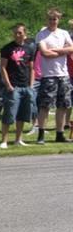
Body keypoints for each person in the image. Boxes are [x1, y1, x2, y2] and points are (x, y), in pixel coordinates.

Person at [34, 8, 73, 144]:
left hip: (64, 75)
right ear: (47, 20)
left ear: (58, 20)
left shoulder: (64, 33)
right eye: (50, 19)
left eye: (55, 19)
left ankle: (60, 134)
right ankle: (41, 135)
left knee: (63, 106)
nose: (52, 21)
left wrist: (56, 51)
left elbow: (71, 49)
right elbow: (45, 53)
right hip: (48, 76)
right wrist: (63, 51)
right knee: (45, 106)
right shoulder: (42, 35)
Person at [0, 24, 36, 149]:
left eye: (19, 32)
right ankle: (4, 141)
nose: (17, 35)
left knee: (22, 114)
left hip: (26, 86)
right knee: (9, 114)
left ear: (25, 33)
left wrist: (31, 85)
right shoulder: (7, 48)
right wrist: (8, 85)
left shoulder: (30, 48)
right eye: (15, 33)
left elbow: (32, 68)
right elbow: (3, 67)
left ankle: (18, 139)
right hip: (13, 86)